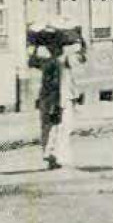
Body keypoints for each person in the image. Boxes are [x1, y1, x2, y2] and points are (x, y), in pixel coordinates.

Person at [34, 42, 85, 170]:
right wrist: (59, 104)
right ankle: (54, 156)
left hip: (46, 100)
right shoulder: (60, 64)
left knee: (48, 128)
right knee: (60, 129)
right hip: (59, 100)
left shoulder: (47, 63)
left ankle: (50, 156)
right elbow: (61, 85)